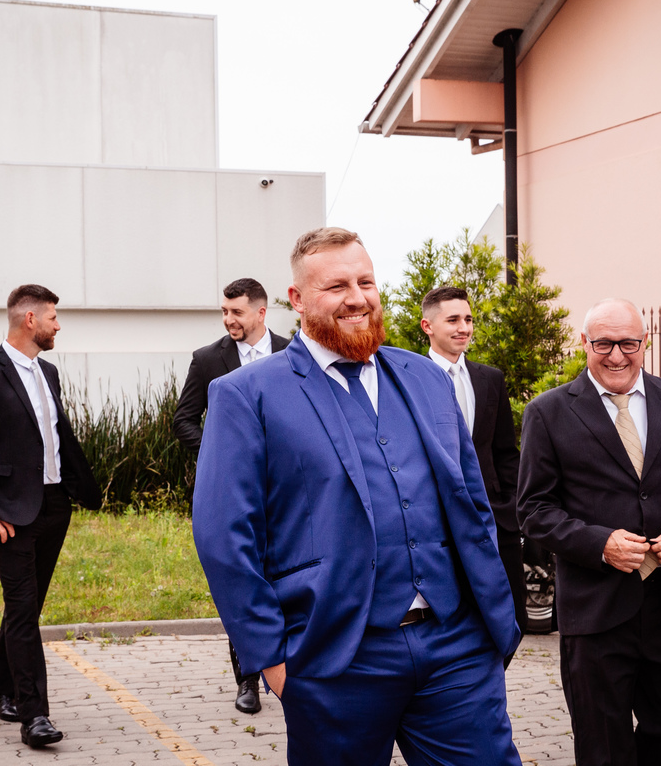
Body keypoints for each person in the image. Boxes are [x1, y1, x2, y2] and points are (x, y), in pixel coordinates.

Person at [193, 227, 521, 766]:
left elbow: (470, 500)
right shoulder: (246, 394)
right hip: (334, 658)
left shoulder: (423, 376)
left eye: (366, 281)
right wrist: (271, 656)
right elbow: (222, 534)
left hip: (456, 646)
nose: (357, 297)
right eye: (336, 285)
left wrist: (495, 622)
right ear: (296, 299)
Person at [518, 297, 661, 766]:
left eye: (628, 343)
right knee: (602, 745)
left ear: (645, 342)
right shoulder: (548, 413)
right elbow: (533, 509)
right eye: (604, 344)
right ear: (584, 342)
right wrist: (600, 543)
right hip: (596, 610)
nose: (616, 355)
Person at [0, 284, 100, 749]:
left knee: (24, 607)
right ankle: (36, 717)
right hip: (6, 514)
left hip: (52, 506)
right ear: (30, 320)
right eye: (53, 317)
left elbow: (52, 438)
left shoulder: (48, 372)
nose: (57, 325)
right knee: (25, 611)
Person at [173, 277, 290, 714]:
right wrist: (221, 455)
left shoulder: (292, 350)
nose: (229, 320)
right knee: (243, 578)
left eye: (236, 312)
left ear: (261, 312)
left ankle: (290, 666)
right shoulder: (207, 360)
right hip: (236, 495)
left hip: (286, 492)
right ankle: (247, 680)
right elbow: (183, 419)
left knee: (284, 576)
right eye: (224, 313)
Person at [419, 286, 528, 655]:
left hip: (493, 518)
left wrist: (511, 507)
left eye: (468, 319)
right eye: (453, 320)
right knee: (454, 616)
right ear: (427, 326)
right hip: (434, 520)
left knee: (511, 618)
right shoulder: (407, 378)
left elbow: (504, 452)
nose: (463, 327)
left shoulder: (489, 379)